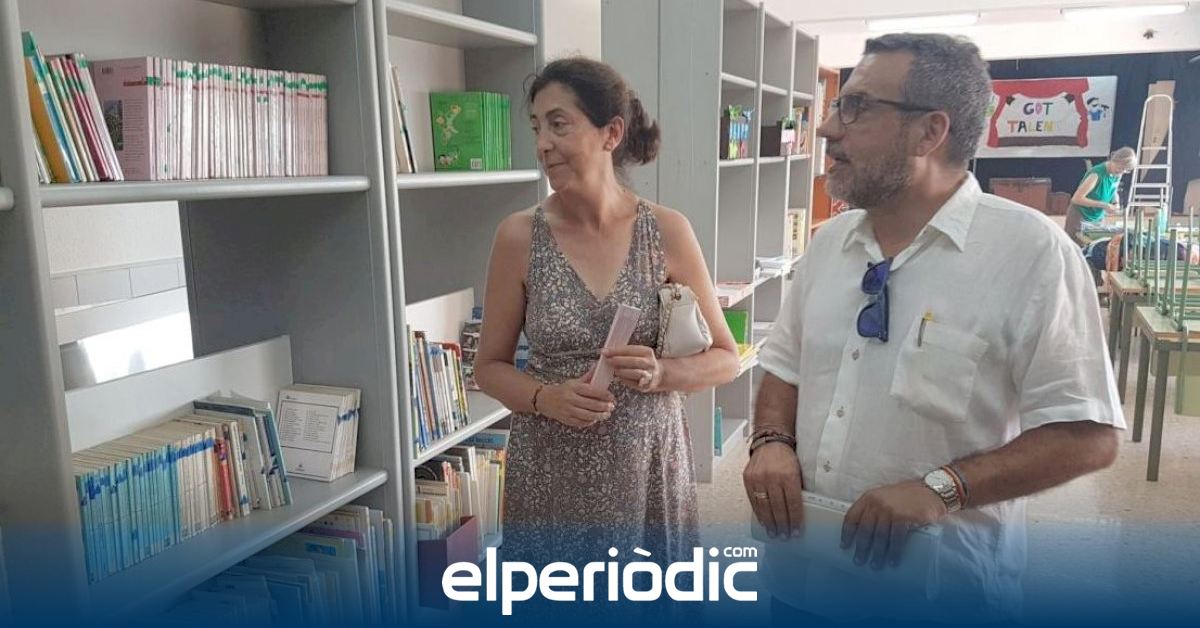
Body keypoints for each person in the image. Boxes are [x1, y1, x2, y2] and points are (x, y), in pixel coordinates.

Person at [743, 33, 1124, 624]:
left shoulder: (1032, 254)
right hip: (800, 581)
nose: (827, 129)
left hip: (941, 595)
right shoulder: (830, 244)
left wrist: (943, 488)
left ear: (930, 131)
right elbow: (784, 367)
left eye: (856, 107)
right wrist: (771, 441)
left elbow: (1089, 434)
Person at [474, 57, 740, 569]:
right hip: (551, 473)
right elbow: (488, 367)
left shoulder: (666, 231)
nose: (542, 143)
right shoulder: (518, 237)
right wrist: (544, 398)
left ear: (611, 133)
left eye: (559, 124)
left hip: (649, 468)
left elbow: (727, 358)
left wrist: (664, 372)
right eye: (536, 127)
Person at [1071, 146, 1137, 228]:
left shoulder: (1117, 174)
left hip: (1098, 217)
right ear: (1114, 160)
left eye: (1125, 170)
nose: (1122, 172)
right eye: (1120, 168)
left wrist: (1115, 203)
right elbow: (1076, 199)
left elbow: (1114, 190)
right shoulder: (1096, 174)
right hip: (1081, 216)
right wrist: (1104, 205)